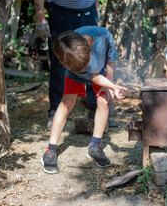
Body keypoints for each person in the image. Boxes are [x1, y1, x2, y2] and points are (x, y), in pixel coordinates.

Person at [40, 26, 127, 174]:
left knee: (103, 101)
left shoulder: (104, 36)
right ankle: (50, 150)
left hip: (100, 72)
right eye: (84, 66)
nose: (87, 65)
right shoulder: (71, 56)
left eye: (87, 62)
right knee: (67, 102)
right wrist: (112, 86)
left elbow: (111, 60)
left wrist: (110, 84)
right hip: (87, 74)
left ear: (88, 50)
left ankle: (95, 147)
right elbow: (92, 77)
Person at [34, 0, 100, 130]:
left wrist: (97, 10)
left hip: (89, 14)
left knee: (93, 61)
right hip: (63, 15)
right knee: (59, 62)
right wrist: (40, 17)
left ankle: (95, 110)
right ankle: (55, 110)